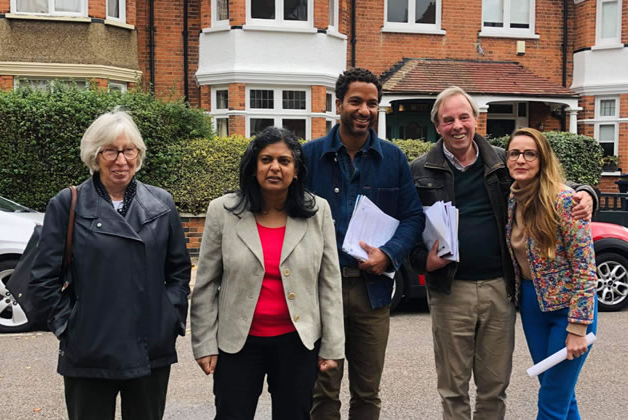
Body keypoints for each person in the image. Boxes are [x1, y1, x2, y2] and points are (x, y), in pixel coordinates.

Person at [409, 86, 597, 420]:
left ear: (476, 119)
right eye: (448, 119)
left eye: (464, 117)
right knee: (453, 388)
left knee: (496, 387)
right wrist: (422, 261)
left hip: (500, 288)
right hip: (450, 291)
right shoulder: (419, 170)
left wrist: (587, 193)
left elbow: (551, 184)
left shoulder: (502, 161)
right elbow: (406, 227)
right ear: (437, 125)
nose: (457, 126)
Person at [29, 109, 192, 420]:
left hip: (149, 346)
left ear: (138, 154)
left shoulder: (161, 203)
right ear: (95, 154)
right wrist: (69, 325)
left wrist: (169, 317)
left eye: (129, 150)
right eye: (111, 150)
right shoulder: (67, 204)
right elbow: (43, 278)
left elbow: (178, 271)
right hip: (90, 348)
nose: (121, 160)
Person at [190, 126, 344, 420]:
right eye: (266, 159)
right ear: (253, 167)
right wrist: (204, 343)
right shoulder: (222, 212)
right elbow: (206, 284)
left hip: (297, 343)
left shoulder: (318, 211)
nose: (275, 167)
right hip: (238, 343)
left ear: (296, 170)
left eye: (284, 161)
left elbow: (329, 282)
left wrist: (333, 345)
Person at [304, 68, 424, 420]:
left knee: (367, 393)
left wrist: (389, 254)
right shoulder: (308, 157)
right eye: (356, 101)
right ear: (338, 104)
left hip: (372, 291)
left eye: (372, 103)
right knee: (322, 391)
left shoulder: (393, 158)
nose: (364, 110)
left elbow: (413, 217)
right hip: (320, 289)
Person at [505, 127, 597, 420]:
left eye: (529, 153)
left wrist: (578, 327)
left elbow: (586, 267)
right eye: (514, 153)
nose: (521, 159)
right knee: (559, 393)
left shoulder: (565, 201)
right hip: (533, 306)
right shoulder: (513, 198)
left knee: (551, 401)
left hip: (569, 311)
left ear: (542, 159)